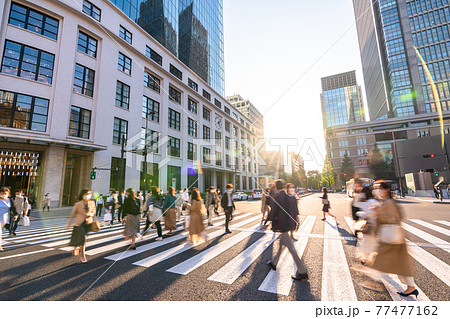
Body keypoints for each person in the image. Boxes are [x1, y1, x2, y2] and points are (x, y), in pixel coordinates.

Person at [368, 182, 418, 297]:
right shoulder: (387, 202)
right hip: (396, 237)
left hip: (391, 238)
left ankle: (374, 279)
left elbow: (391, 218)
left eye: (380, 189)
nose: (378, 191)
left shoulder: (389, 202)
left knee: (381, 259)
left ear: (386, 190)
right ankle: (411, 287)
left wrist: (377, 211)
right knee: (402, 263)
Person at [266, 180, 308, 281]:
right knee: (281, 244)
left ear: (276, 187)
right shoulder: (289, 196)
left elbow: (274, 210)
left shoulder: (278, 196)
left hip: (283, 225)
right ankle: (274, 262)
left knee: (291, 248)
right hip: (288, 224)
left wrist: (266, 222)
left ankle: (302, 271)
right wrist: (296, 221)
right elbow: (294, 209)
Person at [66, 189, 95, 263]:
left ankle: (76, 246)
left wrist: (90, 214)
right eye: (85, 194)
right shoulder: (78, 204)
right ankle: (83, 256)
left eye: (89, 194)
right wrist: (68, 224)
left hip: (88, 224)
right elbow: (72, 215)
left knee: (82, 239)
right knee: (83, 240)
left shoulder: (92, 203)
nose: (87, 195)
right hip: (79, 224)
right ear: (82, 195)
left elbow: (93, 211)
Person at [354, 187, 379, 264]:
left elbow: (356, 204)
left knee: (365, 242)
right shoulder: (371, 201)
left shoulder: (370, 201)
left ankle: (365, 258)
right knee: (370, 241)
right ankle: (369, 257)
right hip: (372, 224)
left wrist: (362, 214)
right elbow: (356, 204)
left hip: (371, 224)